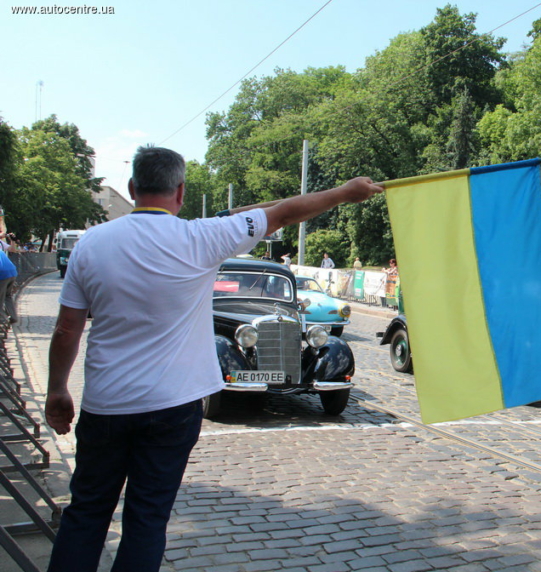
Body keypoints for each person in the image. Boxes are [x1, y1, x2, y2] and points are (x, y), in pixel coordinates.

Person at [43, 146, 381, 572]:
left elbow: (67, 329)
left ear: (132, 188)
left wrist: (57, 389)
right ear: (181, 191)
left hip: (106, 404)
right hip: (173, 406)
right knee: (147, 519)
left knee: (86, 513)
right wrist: (345, 192)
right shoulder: (203, 236)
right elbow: (282, 214)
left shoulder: (91, 243)